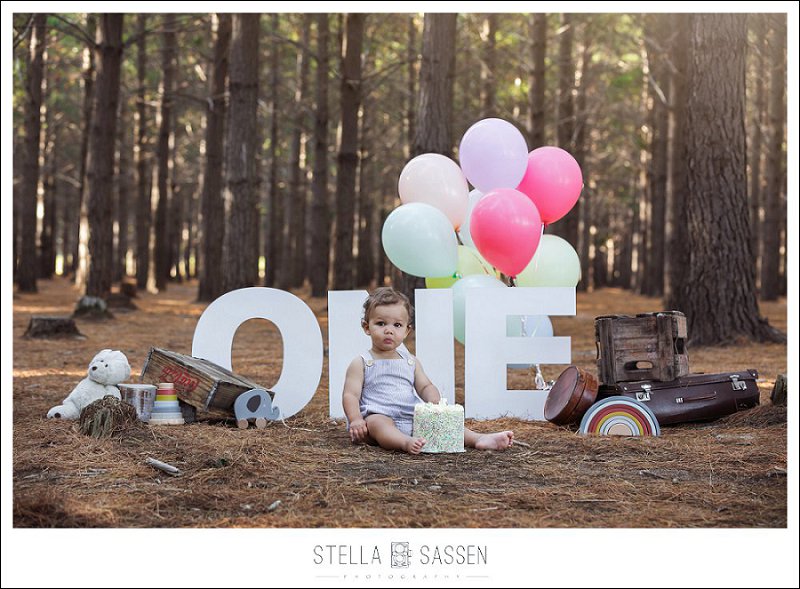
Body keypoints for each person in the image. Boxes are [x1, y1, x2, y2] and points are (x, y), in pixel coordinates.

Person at [342, 286, 514, 455]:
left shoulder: (410, 362)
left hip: (412, 416)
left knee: (444, 422)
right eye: (380, 323)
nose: (389, 330)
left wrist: (433, 400)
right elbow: (351, 395)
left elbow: (424, 386)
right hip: (377, 418)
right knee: (378, 423)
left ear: (406, 331)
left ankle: (478, 439)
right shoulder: (362, 362)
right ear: (366, 327)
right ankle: (404, 443)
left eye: (397, 325)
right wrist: (356, 419)